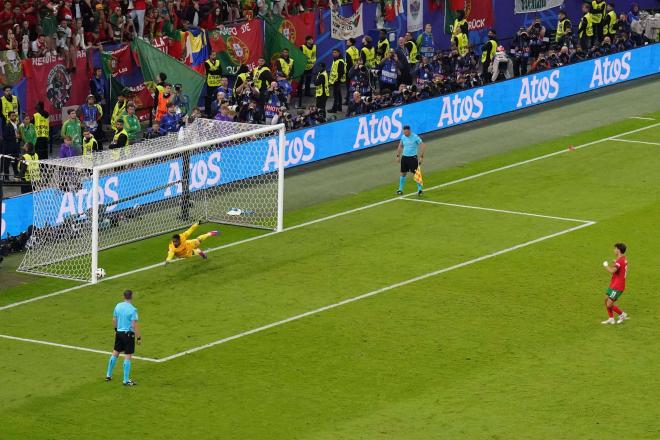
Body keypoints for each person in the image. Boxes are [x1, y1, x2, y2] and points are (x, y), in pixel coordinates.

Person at [105, 289, 141, 386]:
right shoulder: (133, 310)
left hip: (119, 333)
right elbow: (134, 325)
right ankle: (125, 380)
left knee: (115, 352)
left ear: (123, 296)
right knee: (128, 355)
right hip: (128, 334)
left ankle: (108, 375)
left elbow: (114, 319)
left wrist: (116, 330)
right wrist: (138, 337)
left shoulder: (118, 306)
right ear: (131, 297)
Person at [601, 243, 629, 325]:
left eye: (615, 248)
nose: (614, 250)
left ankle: (622, 314)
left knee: (609, 304)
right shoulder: (623, 259)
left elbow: (612, 271)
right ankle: (611, 319)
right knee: (606, 299)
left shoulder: (620, 261)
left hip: (618, 286)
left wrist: (606, 266)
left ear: (618, 250)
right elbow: (620, 267)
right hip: (614, 284)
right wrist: (615, 262)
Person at [395, 125, 425, 196]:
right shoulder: (403, 137)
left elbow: (423, 145)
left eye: (406, 132)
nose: (405, 134)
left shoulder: (415, 137)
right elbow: (400, 146)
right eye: (404, 132)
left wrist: (421, 157)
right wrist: (398, 156)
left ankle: (420, 190)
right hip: (404, 158)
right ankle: (400, 189)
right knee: (403, 173)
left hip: (413, 158)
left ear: (409, 131)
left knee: (416, 174)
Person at [298, 35, 316, 106]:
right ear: (307, 41)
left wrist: (313, 63)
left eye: (312, 39)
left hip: (310, 66)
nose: (312, 41)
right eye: (310, 40)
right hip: (303, 67)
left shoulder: (314, 47)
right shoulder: (302, 47)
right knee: (301, 80)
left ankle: (307, 92)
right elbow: (299, 56)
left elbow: (314, 55)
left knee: (308, 80)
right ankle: (299, 93)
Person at [1, 111, 19, 178]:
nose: (14, 117)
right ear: (9, 117)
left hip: (16, 147)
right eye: (12, 116)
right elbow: (5, 137)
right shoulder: (7, 125)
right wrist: (15, 137)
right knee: (7, 163)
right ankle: (6, 178)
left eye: (14, 115)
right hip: (9, 148)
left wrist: (18, 138)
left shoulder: (16, 125)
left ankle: (16, 177)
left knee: (15, 162)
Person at [328, 49, 346, 114]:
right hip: (335, 80)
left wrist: (337, 80)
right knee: (338, 94)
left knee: (336, 95)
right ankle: (339, 108)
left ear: (339, 53)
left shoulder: (340, 61)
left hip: (337, 81)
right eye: (333, 52)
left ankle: (334, 109)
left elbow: (341, 72)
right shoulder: (335, 60)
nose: (334, 53)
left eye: (335, 52)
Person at [204, 52, 222, 117]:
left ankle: (216, 112)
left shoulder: (218, 62)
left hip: (217, 83)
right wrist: (216, 70)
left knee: (217, 98)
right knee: (208, 98)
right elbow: (210, 72)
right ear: (210, 56)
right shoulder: (207, 62)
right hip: (210, 83)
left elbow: (220, 72)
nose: (214, 56)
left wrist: (214, 71)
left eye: (215, 55)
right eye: (213, 55)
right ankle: (207, 113)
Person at [344, 38, 360, 104]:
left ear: (351, 43)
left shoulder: (348, 51)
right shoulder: (356, 50)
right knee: (354, 85)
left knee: (348, 86)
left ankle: (348, 100)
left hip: (350, 70)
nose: (347, 42)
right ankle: (354, 98)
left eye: (348, 41)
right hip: (356, 69)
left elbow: (348, 63)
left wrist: (348, 72)